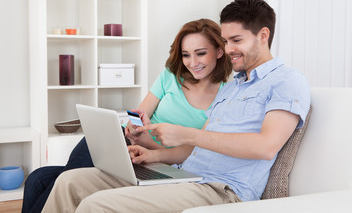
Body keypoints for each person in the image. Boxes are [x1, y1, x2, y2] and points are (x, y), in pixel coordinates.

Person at [41, 0, 311, 213]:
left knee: (95, 205)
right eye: (226, 41)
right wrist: (154, 156)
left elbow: (266, 147)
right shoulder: (233, 87)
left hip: (223, 191)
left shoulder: (287, 81)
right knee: (70, 182)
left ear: (263, 35)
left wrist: (185, 133)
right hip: (186, 175)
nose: (229, 49)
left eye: (237, 40)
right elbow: (196, 148)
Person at [21, 18, 232, 213]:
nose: (192, 62)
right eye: (186, 54)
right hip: (129, 142)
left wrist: (149, 142)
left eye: (200, 53)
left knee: (41, 180)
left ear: (219, 51)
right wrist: (136, 126)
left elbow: (193, 151)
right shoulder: (171, 75)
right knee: (37, 178)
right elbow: (139, 113)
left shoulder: (226, 97)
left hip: (156, 157)